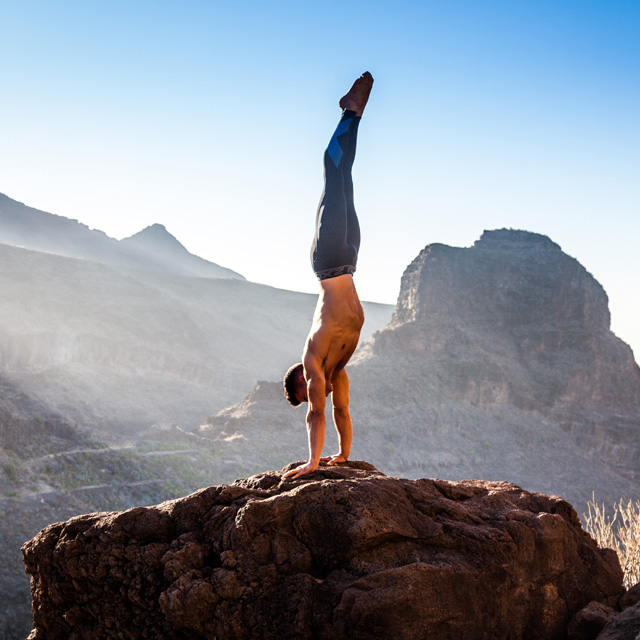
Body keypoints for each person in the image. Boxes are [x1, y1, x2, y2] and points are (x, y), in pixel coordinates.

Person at [282, 71, 374, 479]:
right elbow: (341, 413)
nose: (312, 395)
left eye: (304, 393)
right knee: (343, 178)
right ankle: (352, 114)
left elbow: (317, 414)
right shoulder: (339, 373)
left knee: (331, 168)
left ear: (301, 380)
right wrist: (342, 456)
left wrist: (312, 464)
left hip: (329, 259)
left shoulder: (313, 360)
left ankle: (351, 111)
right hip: (349, 260)